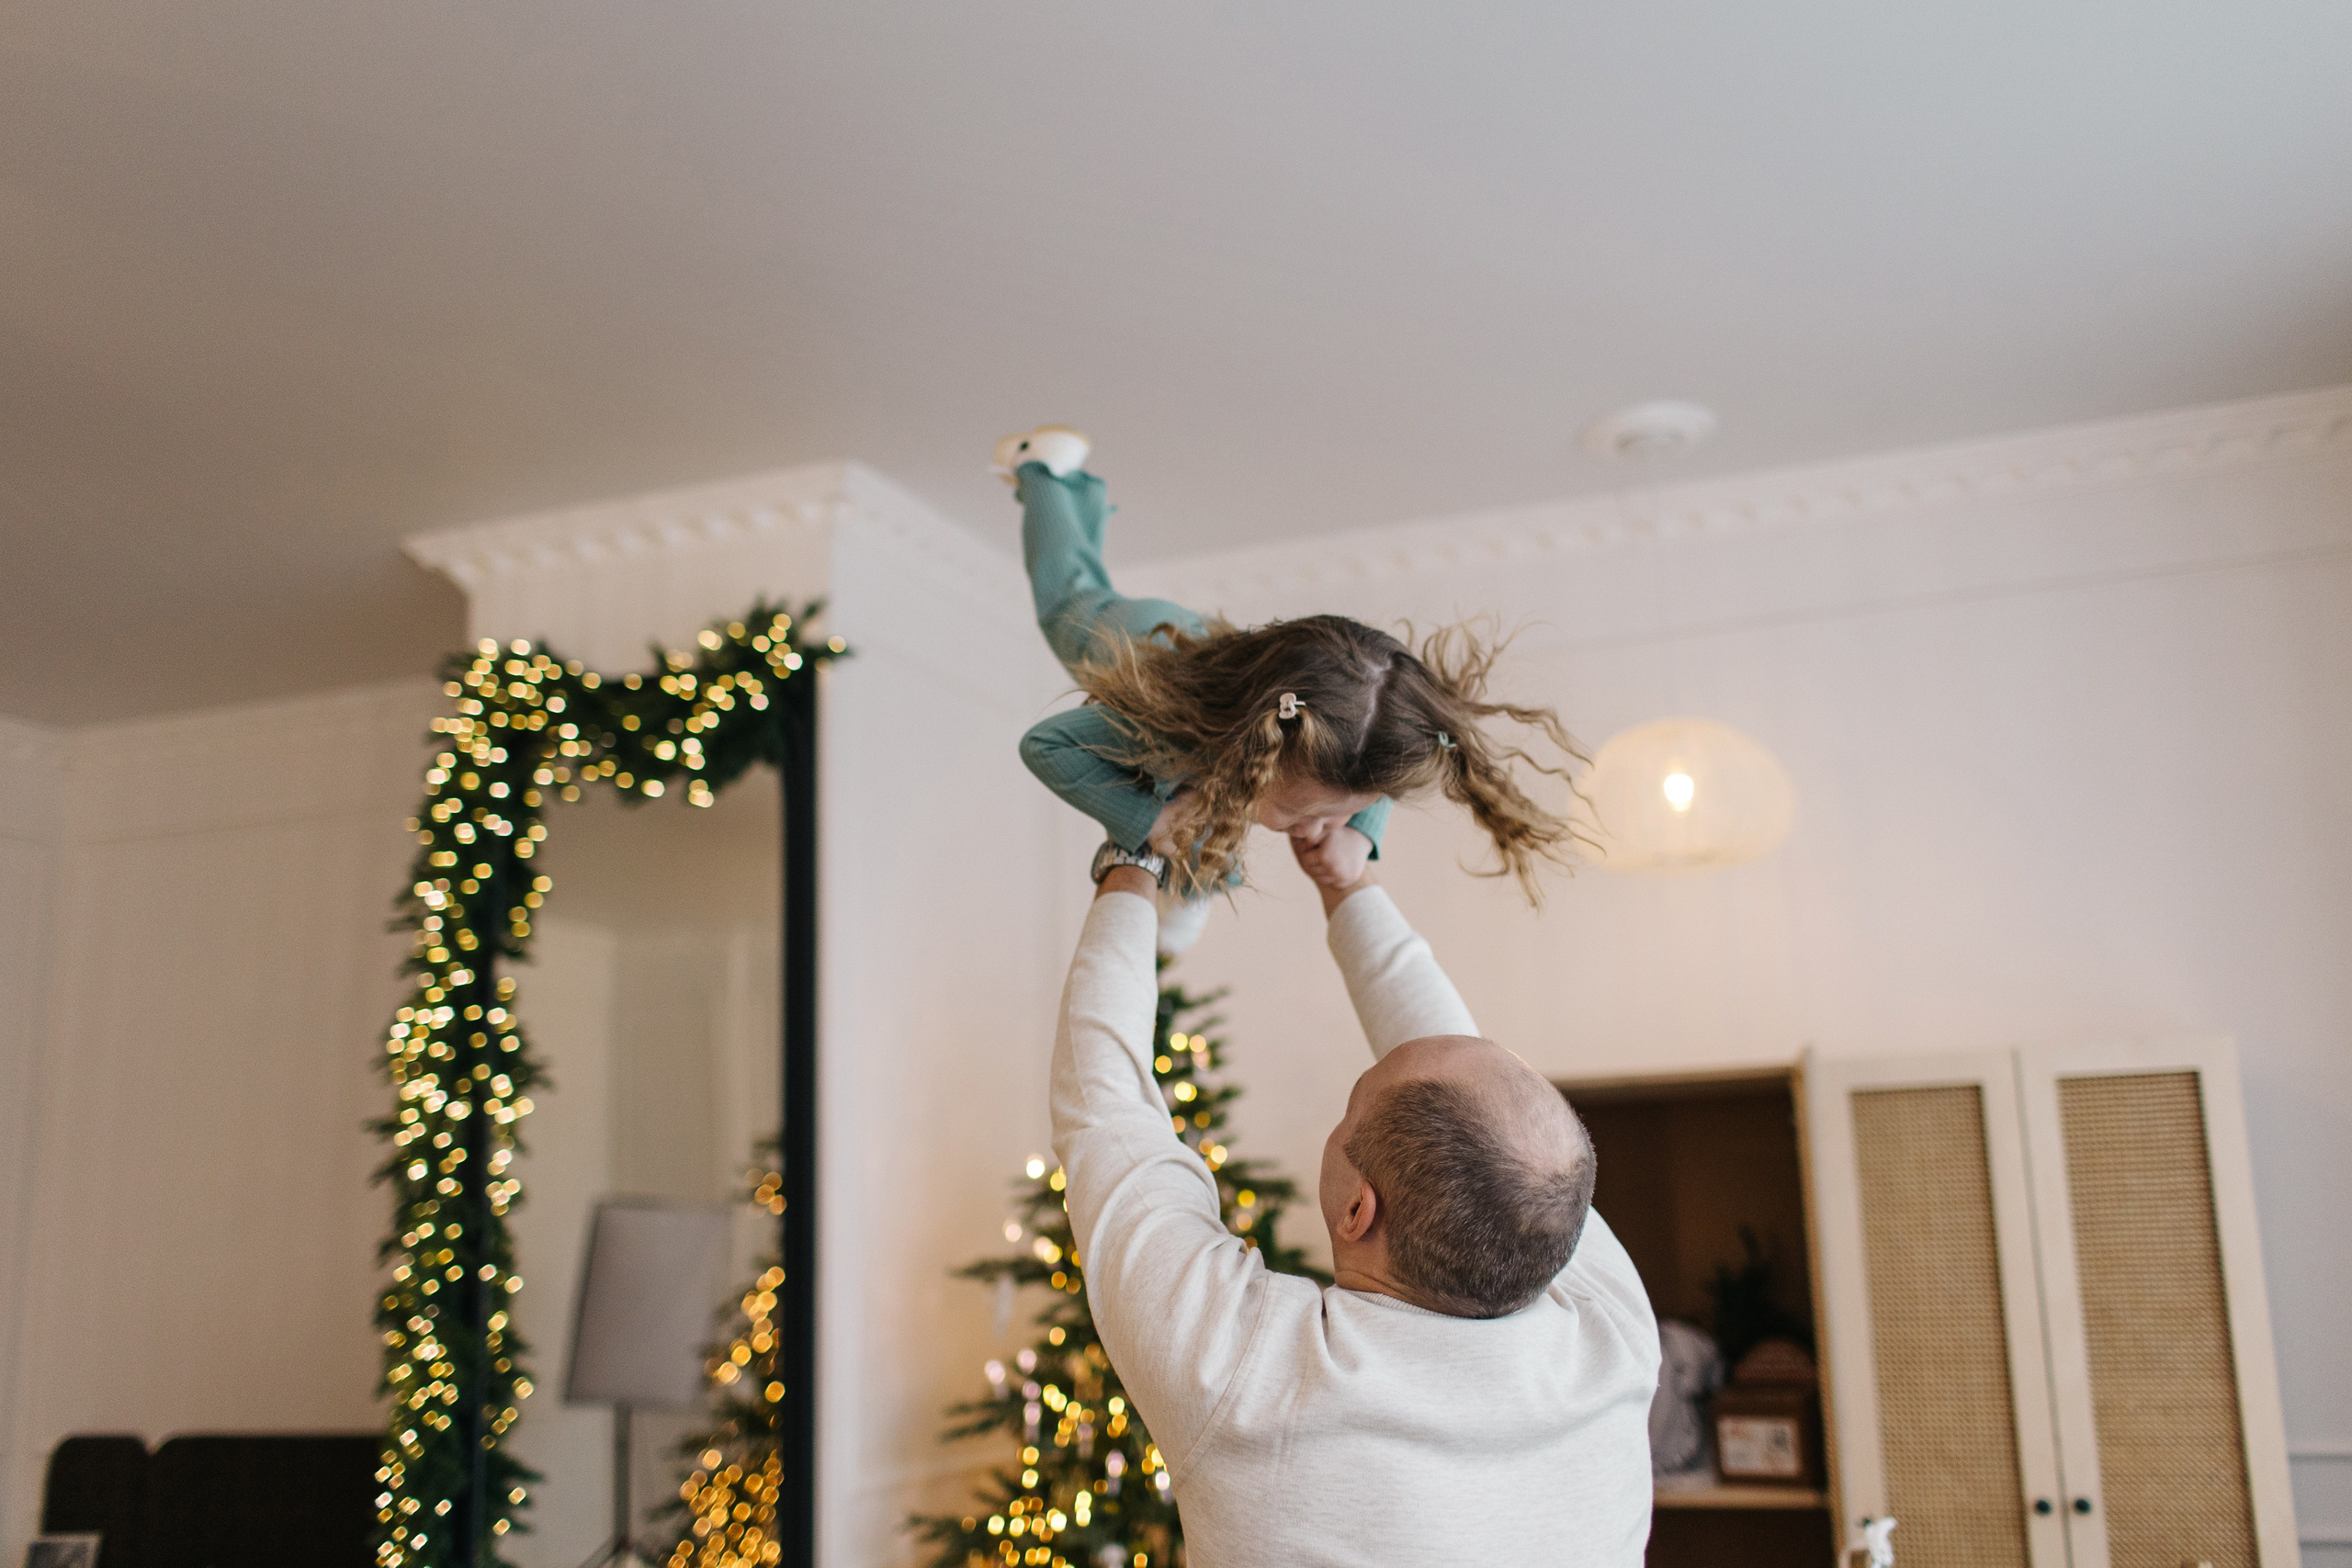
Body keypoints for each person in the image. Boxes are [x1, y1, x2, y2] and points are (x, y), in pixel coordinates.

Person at [1053, 848, 1661, 1565]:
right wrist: (1347, 877)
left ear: (1357, 1209)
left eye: (1352, 1105)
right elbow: (1475, 1096)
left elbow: (1109, 1108)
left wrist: (1135, 854)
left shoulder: (1249, 1375)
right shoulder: (1610, 1326)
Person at [999, 425, 1586, 954]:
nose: (1313, 830)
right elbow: (1044, 746)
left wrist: (1360, 833)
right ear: (1257, 749)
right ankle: (1044, 471)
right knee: (1069, 593)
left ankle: (1075, 490)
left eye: (1338, 812)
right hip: (1132, 642)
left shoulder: (1350, 739)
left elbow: (1372, 772)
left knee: (1206, 813)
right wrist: (1144, 818)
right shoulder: (1156, 725)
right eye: (1303, 811)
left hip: (1224, 668)